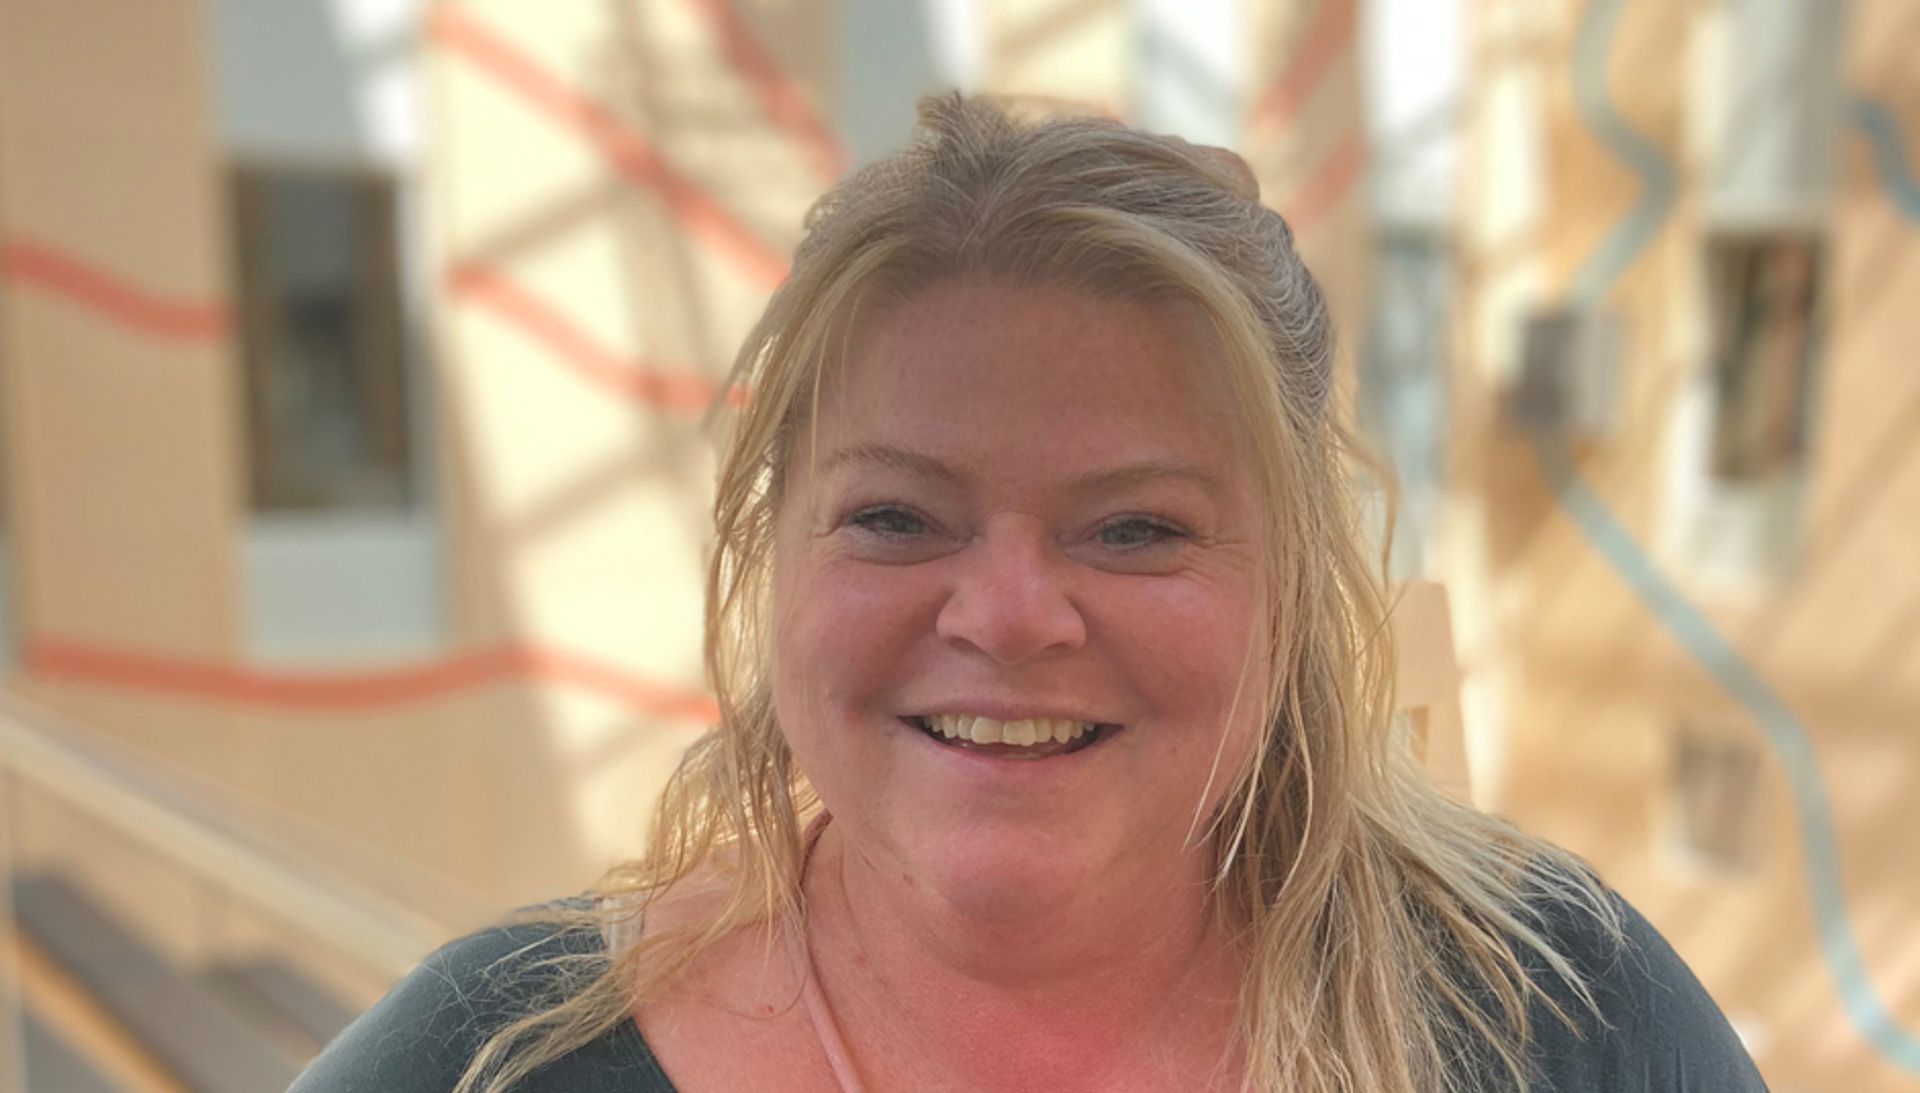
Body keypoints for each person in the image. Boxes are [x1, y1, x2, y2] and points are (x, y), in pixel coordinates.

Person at [291, 95, 1767, 1093]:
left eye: (1135, 528)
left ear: (1292, 592)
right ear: (772, 551)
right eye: (894, 516)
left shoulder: (1557, 1015)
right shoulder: (489, 1059)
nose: (1005, 616)